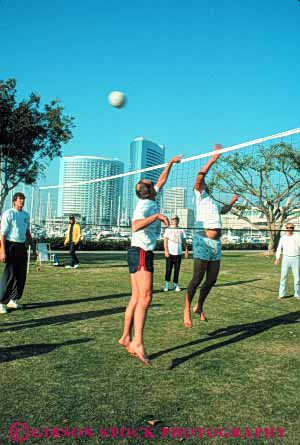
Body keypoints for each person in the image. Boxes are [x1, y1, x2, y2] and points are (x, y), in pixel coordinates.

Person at [119, 154, 183, 365]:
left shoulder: (151, 197)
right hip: (141, 253)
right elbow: (135, 226)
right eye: (151, 185)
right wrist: (157, 217)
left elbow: (162, 180)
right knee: (146, 298)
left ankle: (125, 337)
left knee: (137, 297)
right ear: (148, 191)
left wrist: (171, 164)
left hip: (136, 252)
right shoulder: (145, 206)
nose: (156, 185)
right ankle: (137, 341)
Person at [184, 144, 238, 328]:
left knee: (212, 279)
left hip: (215, 244)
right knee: (197, 279)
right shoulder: (199, 194)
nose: (204, 183)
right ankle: (186, 309)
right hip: (203, 240)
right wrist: (212, 160)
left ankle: (199, 306)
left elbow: (222, 211)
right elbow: (199, 176)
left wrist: (231, 202)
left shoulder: (211, 201)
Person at [0, 192, 35, 314]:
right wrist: (2, 251)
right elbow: (3, 234)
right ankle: (1, 302)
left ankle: (13, 300)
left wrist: (33, 247)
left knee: (21, 275)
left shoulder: (26, 215)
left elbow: (27, 232)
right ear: (14, 201)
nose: (22, 201)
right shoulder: (9, 213)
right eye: (20, 199)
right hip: (10, 245)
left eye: (23, 199)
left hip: (21, 246)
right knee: (9, 275)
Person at [274, 223, 300, 299]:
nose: (289, 229)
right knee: (283, 277)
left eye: (291, 228)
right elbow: (279, 248)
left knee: (297, 279)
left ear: (293, 228)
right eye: (288, 228)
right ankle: (281, 294)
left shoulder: (297, 237)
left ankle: (297, 294)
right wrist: (277, 258)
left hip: (296, 258)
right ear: (286, 228)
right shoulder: (283, 238)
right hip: (285, 259)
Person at [163, 215, 188, 292]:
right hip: (170, 253)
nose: (175, 220)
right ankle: (166, 284)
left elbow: (184, 240)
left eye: (176, 219)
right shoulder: (168, 229)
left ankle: (175, 284)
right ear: (171, 220)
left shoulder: (181, 229)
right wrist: (166, 250)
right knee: (168, 270)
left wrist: (186, 250)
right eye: (173, 219)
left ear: (178, 220)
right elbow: (165, 240)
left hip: (178, 253)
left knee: (177, 270)